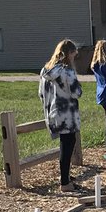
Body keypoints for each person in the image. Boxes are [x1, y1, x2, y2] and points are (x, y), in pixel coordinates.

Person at [39, 38, 84, 192]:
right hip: (67, 113)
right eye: (73, 55)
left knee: (64, 145)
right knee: (67, 145)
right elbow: (76, 92)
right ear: (68, 54)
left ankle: (65, 176)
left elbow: (41, 93)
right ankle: (65, 182)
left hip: (53, 110)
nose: (74, 58)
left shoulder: (46, 70)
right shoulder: (67, 72)